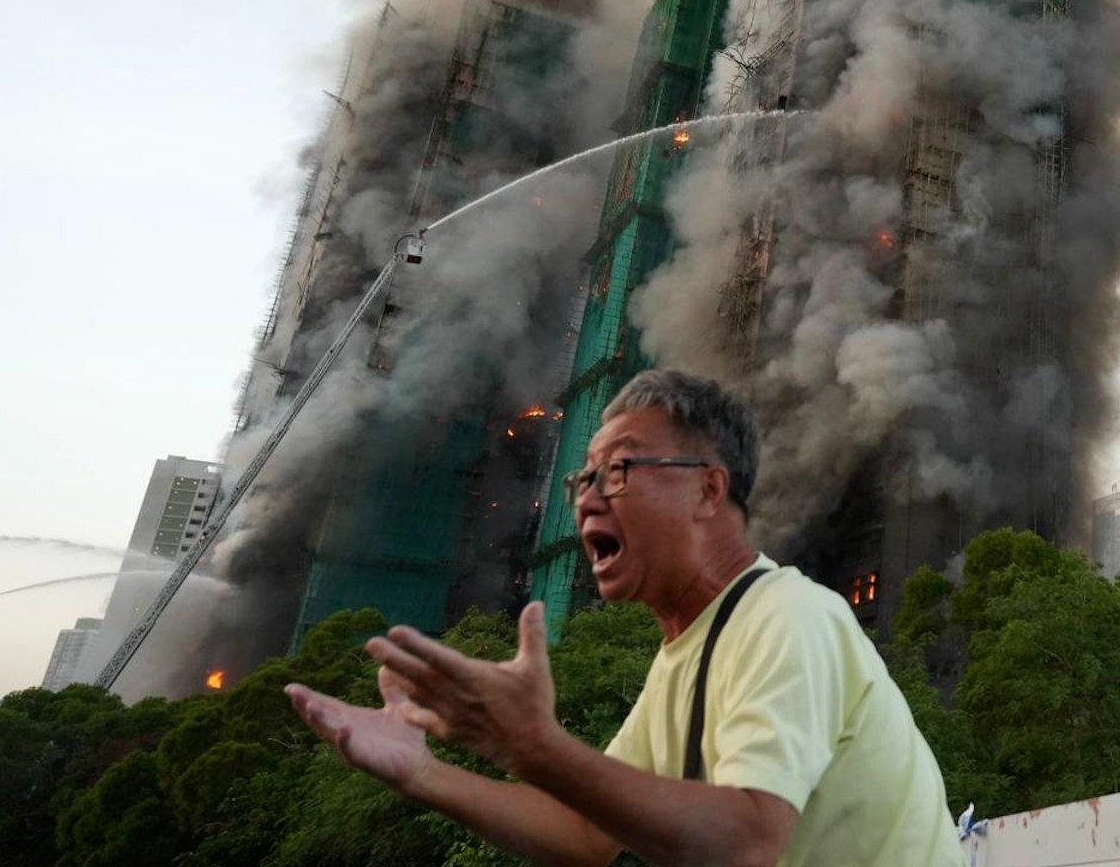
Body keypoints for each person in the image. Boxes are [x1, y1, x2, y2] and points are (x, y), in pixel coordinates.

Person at [286, 370, 964, 867]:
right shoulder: (686, 654)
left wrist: (531, 744)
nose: (585, 501)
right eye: (582, 480)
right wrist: (423, 773)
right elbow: (585, 835)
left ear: (707, 488)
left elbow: (747, 841)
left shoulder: (786, 614)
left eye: (616, 470)